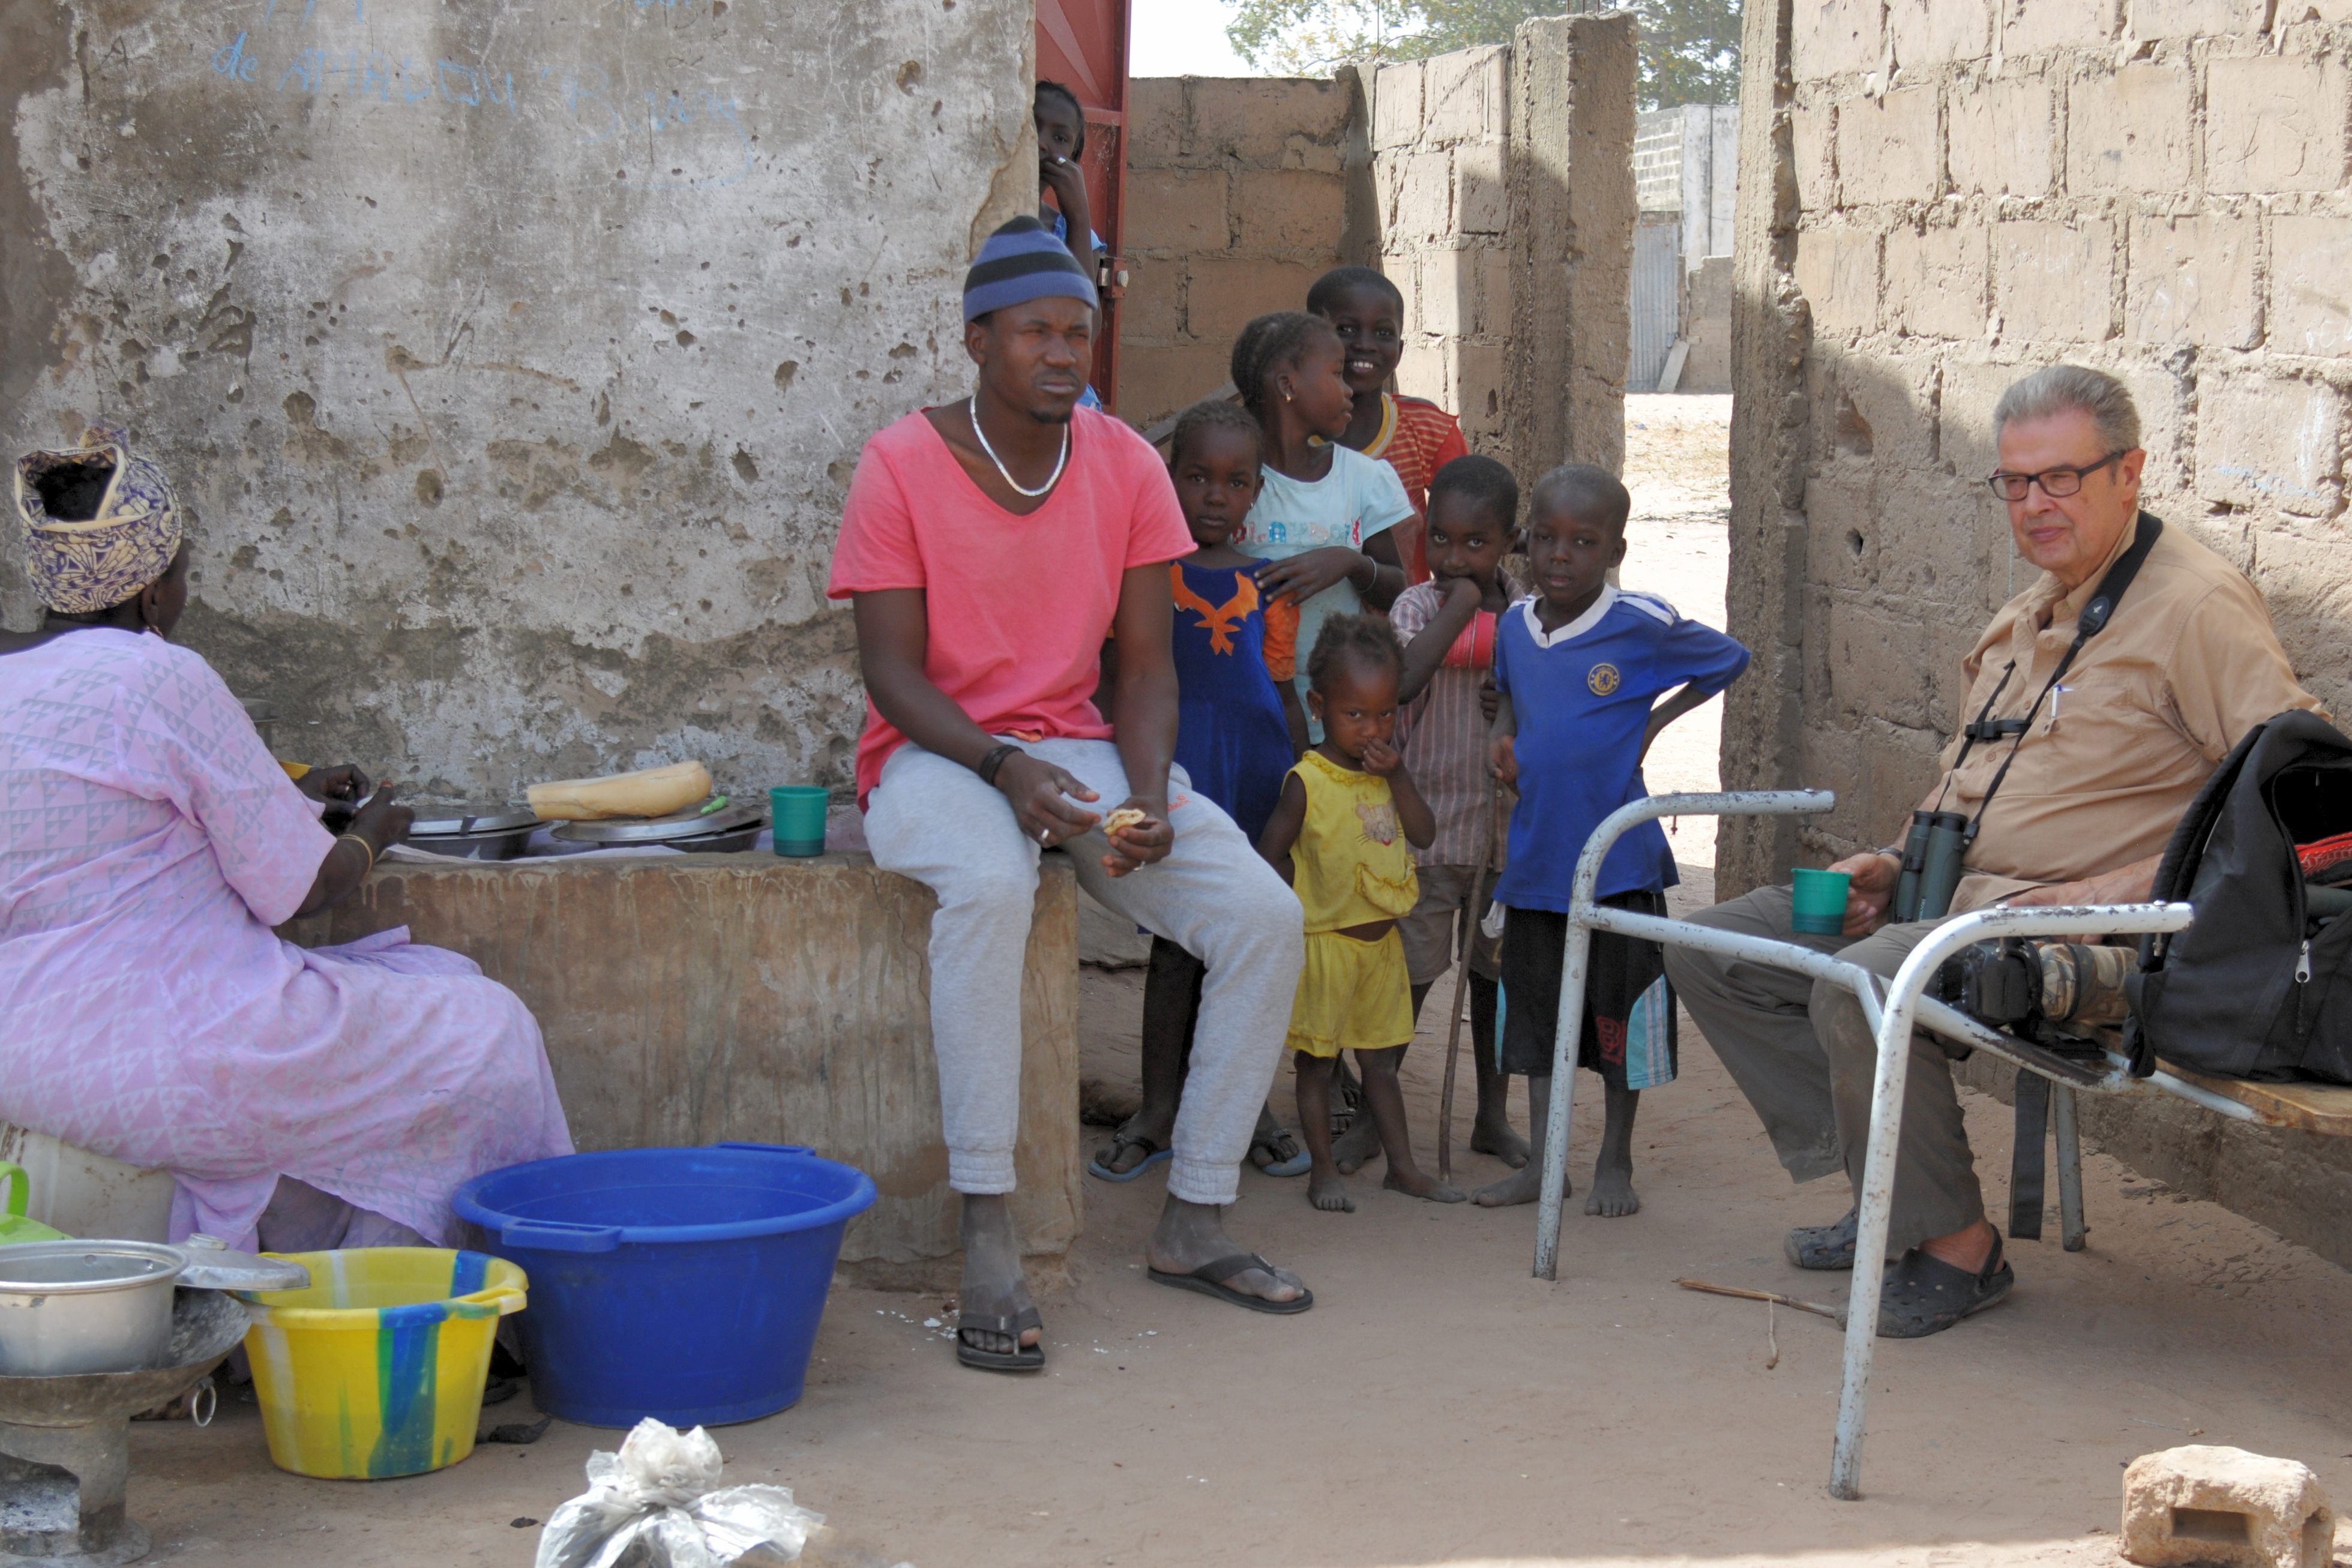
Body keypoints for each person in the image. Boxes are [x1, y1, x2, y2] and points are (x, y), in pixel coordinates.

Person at [1665, 364, 2326, 1337]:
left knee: (1865, 980)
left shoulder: (2193, 606)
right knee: (1714, 947)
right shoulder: (2029, 614)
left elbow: (2290, 803)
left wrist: (2095, 896)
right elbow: (1965, 781)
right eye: (2013, 483)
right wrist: (1890, 860)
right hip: (1954, 895)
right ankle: (1886, 1190)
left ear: (2127, 472)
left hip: (2081, 930)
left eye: (2058, 477)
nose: (2032, 504)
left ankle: (1958, 1251)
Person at [829, 218, 1313, 1372]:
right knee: (992, 884)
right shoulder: (900, 461)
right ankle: (987, 1223)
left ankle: (1196, 1212)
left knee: (1262, 918)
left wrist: (1144, 798)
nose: (1061, 353)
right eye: (1035, 332)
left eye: (1077, 334)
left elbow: (1145, 669)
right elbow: (890, 668)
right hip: (933, 754)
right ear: (976, 339)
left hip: (1082, 749)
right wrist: (1001, 766)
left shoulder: (1122, 465)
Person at [0, 430, 573, 1255]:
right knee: (483, 1026)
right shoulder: (158, 674)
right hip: (165, 1054)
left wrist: (284, 792)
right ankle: (419, 1299)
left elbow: (112, 807)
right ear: (153, 593)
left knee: (421, 987)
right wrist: (374, 832)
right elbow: (299, 891)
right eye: (183, 572)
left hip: (28, 1051)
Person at [1473, 466, 1751, 1216]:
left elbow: (1729, 658)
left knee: (1616, 1019)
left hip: (1617, 866)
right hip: (1535, 865)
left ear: (1614, 550)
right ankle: (1545, 1162)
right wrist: (1502, 738)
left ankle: (1615, 1161)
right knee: (1534, 1020)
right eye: (1548, 539)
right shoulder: (1514, 627)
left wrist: (1654, 722)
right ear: (1528, 540)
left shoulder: (1639, 623)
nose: (1561, 556)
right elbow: (1506, 704)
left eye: (1584, 542)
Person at [1089, 397, 1313, 1185]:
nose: (1214, 496)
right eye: (1194, 476)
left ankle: (1248, 1106)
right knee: (1179, 946)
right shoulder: (1148, 572)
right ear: (1167, 476)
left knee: (1252, 940)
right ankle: (1156, 1108)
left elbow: (1281, 690)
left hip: (1254, 776)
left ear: (1257, 490)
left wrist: (1303, 776)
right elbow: (1123, 679)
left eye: (1234, 480)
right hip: (1178, 775)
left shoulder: (1267, 583)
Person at [1257, 614, 1462, 1212]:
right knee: (1317, 1064)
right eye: (1355, 715)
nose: (1371, 729)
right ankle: (1323, 1168)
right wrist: (1291, 914)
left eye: (1384, 715)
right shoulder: (1307, 781)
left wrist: (1398, 777)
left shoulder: (1386, 775)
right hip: (1326, 946)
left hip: (1381, 950)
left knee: (1381, 1067)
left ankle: (1403, 1168)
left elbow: (1423, 835)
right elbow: (1268, 855)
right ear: (1319, 706)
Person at [1357, 454, 1524, 1178]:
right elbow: (1404, 680)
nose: (1456, 558)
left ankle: (1490, 1116)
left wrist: (1511, 698)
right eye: (1443, 542)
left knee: (1493, 984)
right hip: (1424, 837)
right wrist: (1461, 605)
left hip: (1499, 840)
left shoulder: (1527, 615)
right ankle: (1375, 1119)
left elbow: (1549, 703)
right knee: (1408, 984)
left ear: (1509, 542)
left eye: (1476, 545)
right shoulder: (1418, 608)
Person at [1231, 310, 1414, 740]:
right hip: (1240, 707)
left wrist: (1349, 562)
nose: (1349, 390)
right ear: (1287, 385)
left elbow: (1397, 587)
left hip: (1329, 722)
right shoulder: (1233, 481)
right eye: (1336, 373)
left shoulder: (1360, 478)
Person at [1307, 265, 1470, 585]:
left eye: (1383, 334)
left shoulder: (1427, 430)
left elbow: (1468, 523)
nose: (1365, 345)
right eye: (1345, 329)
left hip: (1406, 624)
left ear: (1401, 349)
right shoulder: (1286, 435)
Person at [1035, 79, 1106, 412]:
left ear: (1073, 160)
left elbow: (1087, 332)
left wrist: (1078, 218)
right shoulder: (985, 222)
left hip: (1063, 400)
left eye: (1059, 138)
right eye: (1032, 126)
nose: (1041, 143)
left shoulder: (1071, 232)